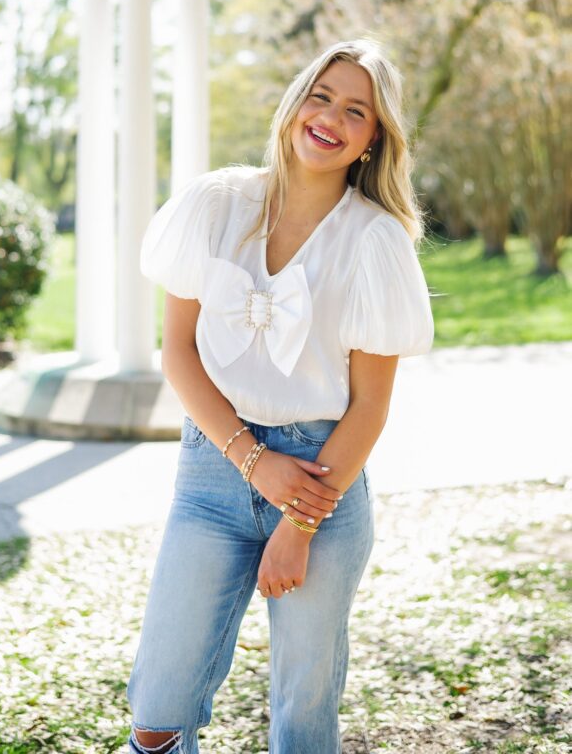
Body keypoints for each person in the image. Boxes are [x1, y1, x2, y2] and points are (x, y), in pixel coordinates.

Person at [126, 39, 434, 754]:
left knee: (302, 716)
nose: (330, 117)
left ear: (372, 140)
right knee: (156, 711)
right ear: (296, 99)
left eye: (356, 111)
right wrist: (251, 459)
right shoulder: (214, 204)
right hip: (212, 474)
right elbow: (178, 351)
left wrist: (298, 523)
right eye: (321, 95)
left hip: (324, 478)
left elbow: (369, 408)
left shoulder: (376, 241)